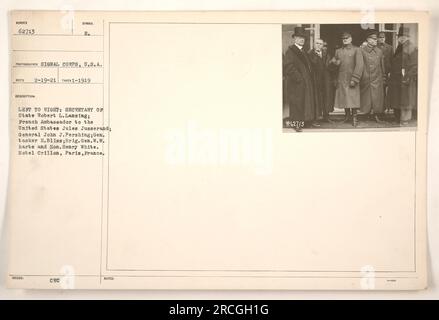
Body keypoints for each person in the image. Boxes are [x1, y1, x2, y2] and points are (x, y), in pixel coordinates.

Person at [283, 27, 318, 132]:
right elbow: (288, 67)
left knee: (304, 102)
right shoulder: (291, 51)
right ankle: (296, 124)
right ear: (295, 39)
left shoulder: (303, 51)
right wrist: (299, 79)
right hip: (296, 83)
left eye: (303, 38)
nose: (302, 40)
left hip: (304, 82)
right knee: (296, 103)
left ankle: (305, 121)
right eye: (299, 38)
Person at [330, 32, 364, 127]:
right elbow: (333, 64)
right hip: (342, 79)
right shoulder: (338, 51)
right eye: (343, 38)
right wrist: (334, 63)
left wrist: (355, 78)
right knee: (344, 98)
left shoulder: (357, 50)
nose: (345, 39)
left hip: (352, 78)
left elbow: (360, 65)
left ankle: (354, 117)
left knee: (353, 99)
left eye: (347, 38)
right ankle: (347, 116)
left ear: (351, 39)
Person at [388, 26, 418, 126]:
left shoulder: (411, 48)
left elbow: (415, 66)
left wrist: (408, 77)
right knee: (397, 99)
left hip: (406, 79)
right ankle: (398, 119)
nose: (401, 38)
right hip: (396, 79)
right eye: (399, 36)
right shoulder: (400, 47)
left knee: (406, 100)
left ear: (408, 37)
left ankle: (405, 120)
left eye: (403, 36)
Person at [359, 29, 386, 122]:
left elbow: (382, 65)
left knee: (377, 98)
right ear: (368, 39)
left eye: (376, 39)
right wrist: (363, 76)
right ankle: (366, 114)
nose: (376, 40)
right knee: (366, 98)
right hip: (366, 78)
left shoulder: (379, 51)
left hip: (377, 79)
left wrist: (383, 76)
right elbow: (360, 65)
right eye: (373, 39)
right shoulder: (362, 50)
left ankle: (376, 114)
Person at [308, 38, 334, 123]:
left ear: (323, 46)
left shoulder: (326, 53)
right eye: (317, 43)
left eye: (320, 44)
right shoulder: (310, 54)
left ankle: (326, 116)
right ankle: (315, 118)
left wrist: (333, 63)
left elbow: (329, 66)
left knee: (326, 97)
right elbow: (311, 66)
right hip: (315, 79)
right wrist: (316, 55)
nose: (319, 45)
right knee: (316, 98)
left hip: (325, 79)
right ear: (314, 44)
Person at [377, 31, 394, 113]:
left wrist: (391, 72)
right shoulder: (375, 47)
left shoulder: (390, 48)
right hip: (377, 72)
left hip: (387, 72)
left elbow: (392, 60)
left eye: (383, 37)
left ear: (385, 38)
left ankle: (386, 108)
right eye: (380, 37)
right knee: (379, 91)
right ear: (377, 38)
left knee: (386, 90)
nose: (381, 39)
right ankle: (380, 109)